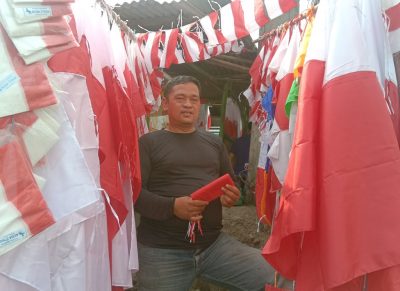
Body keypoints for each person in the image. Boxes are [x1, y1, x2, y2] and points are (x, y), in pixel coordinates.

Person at [135, 76, 283, 291]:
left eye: (194, 99)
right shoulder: (147, 143)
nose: (188, 104)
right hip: (162, 250)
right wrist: (173, 207)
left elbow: (229, 184)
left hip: (214, 246)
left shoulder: (213, 143)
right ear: (165, 103)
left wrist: (230, 196)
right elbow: (135, 195)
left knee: (276, 276)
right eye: (180, 98)